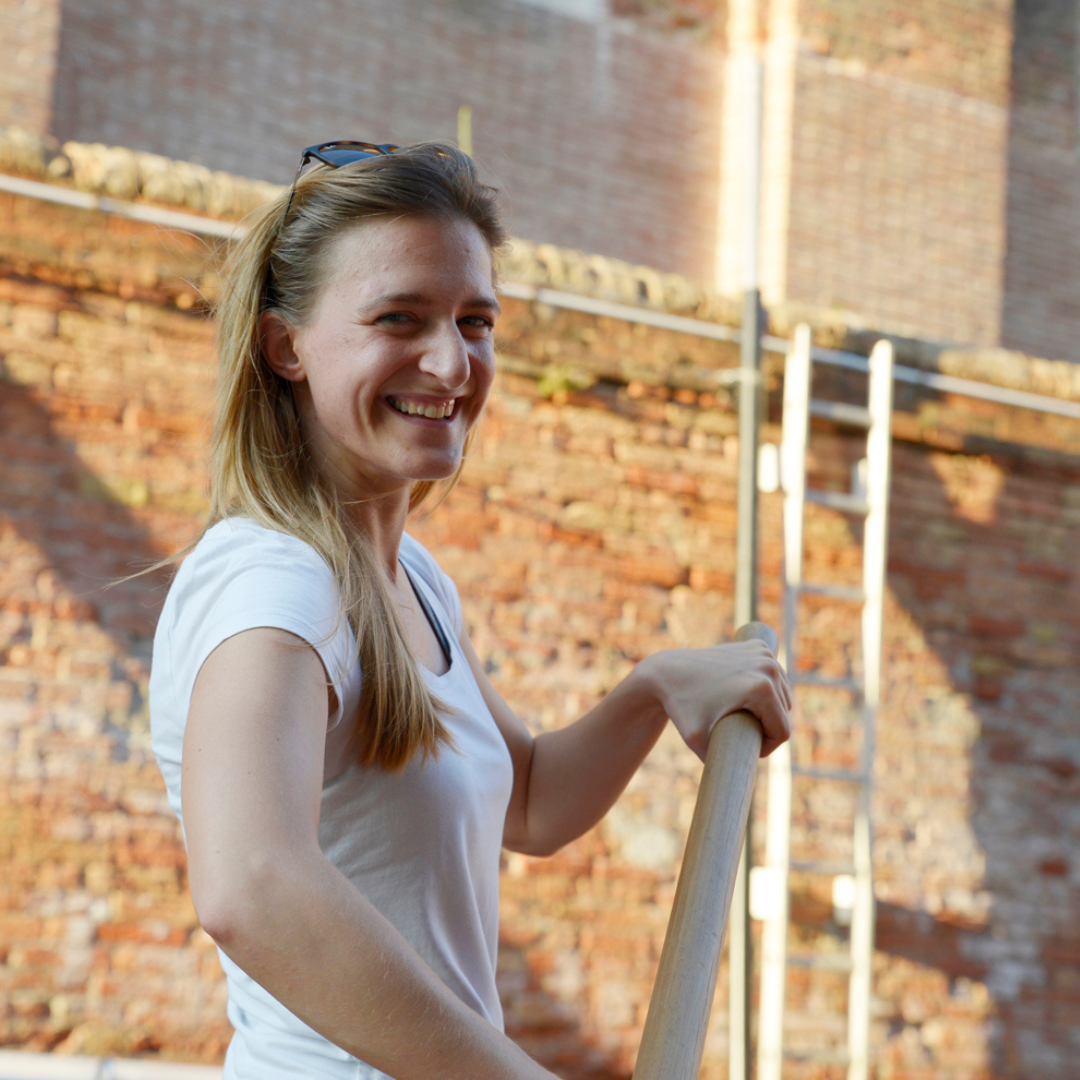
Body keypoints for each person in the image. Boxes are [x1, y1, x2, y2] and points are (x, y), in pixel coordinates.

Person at [149, 140, 791, 1080]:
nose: (451, 362)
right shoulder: (273, 586)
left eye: (476, 320)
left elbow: (526, 802)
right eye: (398, 317)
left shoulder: (412, 581)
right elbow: (252, 886)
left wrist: (651, 689)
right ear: (285, 345)